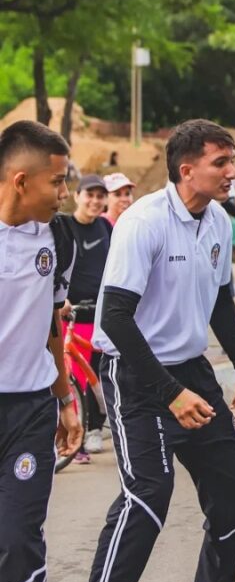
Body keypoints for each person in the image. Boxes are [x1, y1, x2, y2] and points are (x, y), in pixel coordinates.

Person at [52, 119, 235, 582]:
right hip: (136, 375)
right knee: (148, 495)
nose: (231, 171)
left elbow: (220, 301)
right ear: (185, 167)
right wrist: (170, 393)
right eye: (221, 161)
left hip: (191, 371)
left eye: (232, 160)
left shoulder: (217, 220)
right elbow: (114, 319)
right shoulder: (144, 221)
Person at [0, 121, 82, 582]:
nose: (65, 191)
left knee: (20, 543)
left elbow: (54, 325)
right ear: (19, 180)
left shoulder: (50, 237)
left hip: (28, 412)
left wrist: (64, 394)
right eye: (57, 181)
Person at [62, 174, 112, 460]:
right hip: (73, 317)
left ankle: (95, 429)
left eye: (100, 196)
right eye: (89, 195)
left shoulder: (106, 226)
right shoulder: (64, 226)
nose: (95, 201)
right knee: (76, 379)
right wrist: (61, 299)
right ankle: (74, 436)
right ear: (77, 195)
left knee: (99, 377)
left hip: (103, 316)